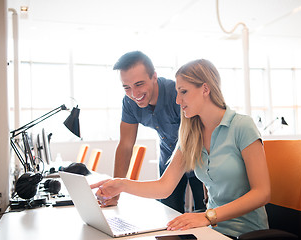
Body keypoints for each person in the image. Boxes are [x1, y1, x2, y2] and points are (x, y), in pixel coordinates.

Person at [91, 59, 271, 238]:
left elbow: (262, 193)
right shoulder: (191, 134)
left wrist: (208, 216)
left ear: (205, 89)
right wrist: (121, 184)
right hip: (211, 231)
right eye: (177, 92)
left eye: (183, 92)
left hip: (247, 233)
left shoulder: (242, 126)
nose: (177, 100)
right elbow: (164, 186)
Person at [108, 51, 206, 213]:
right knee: (169, 213)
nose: (134, 94)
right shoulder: (129, 102)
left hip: (198, 157)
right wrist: (115, 190)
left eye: (139, 84)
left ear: (154, 76)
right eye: (127, 87)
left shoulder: (177, 94)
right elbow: (125, 146)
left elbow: (197, 133)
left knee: (202, 212)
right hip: (168, 159)